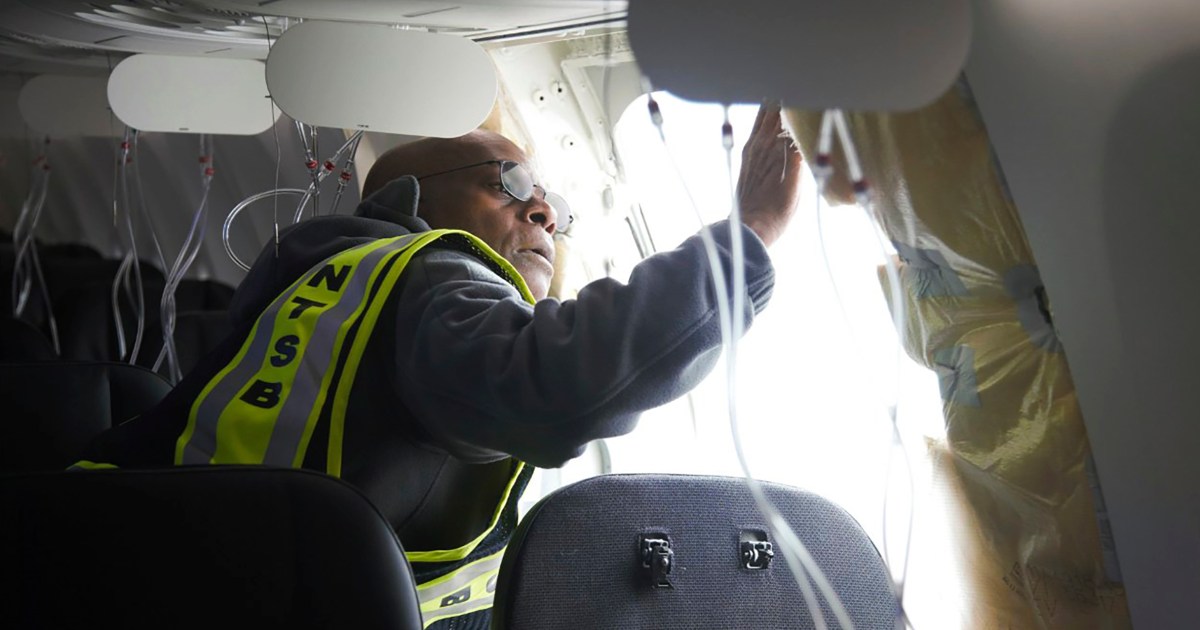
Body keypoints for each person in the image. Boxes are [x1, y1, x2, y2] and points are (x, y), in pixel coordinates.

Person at [75, 103, 802, 628]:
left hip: (156, 578)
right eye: (512, 185)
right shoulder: (429, 275)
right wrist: (750, 239)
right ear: (409, 200)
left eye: (554, 205)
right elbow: (555, 384)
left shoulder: (327, 282)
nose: (545, 213)